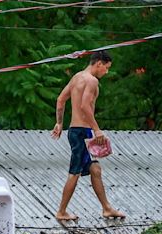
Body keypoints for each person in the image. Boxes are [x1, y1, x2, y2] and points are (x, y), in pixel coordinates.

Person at [51, 50, 125, 221]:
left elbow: (61, 100)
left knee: (95, 169)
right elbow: (85, 106)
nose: (106, 72)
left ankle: (107, 208)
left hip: (78, 131)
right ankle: (61, 212)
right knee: (74, 173)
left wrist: (59, 123)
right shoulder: (92, 81)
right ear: (99, 63)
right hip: (81, 132)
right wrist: (97, 130)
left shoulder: (77, 77)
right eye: (106, 68)